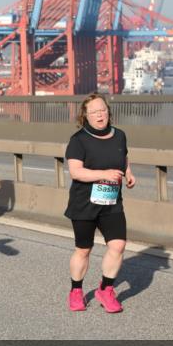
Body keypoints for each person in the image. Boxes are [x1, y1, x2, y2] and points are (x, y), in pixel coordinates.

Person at [64, 93, 135, 314]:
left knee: (118, 245)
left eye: (103, 110)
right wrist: (103, 173)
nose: (100, 115)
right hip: (84, 202)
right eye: (94, 112)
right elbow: (76, 172)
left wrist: (129, 172)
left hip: (111, 201)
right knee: (83, 249)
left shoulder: (120, 135)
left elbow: (122, 156)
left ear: (108, 111)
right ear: (85, 115)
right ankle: (76, 291)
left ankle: (106, 289)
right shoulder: (79, 140)